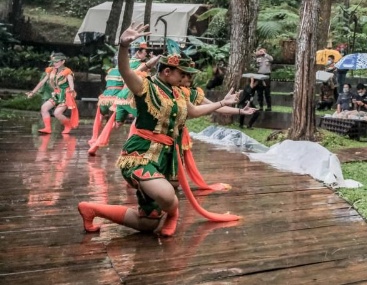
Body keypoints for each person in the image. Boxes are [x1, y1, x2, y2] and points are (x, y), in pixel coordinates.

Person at [77, 23, 246, 237]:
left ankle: (91, 209)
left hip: (167, 156)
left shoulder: (179, 93)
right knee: (167, 197)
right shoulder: (145, 86)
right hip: (142, 154)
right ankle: (173, 213)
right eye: (182, 74)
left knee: (147, 224)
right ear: (167, 71)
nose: (186, 79)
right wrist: (122, 46)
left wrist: (222, 103)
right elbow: (125, 70)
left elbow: (193, 111)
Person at [89, 41, 159, 155]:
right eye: (145, 52)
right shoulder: (138, 64)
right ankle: (128, 148)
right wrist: (152, 63)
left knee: (117, 124)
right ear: (138, 52)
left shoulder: (125, 64)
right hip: (130, 97)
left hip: (119, 98)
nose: (146, 55)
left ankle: (95, 145)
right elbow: (146, 74)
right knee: (142, 119)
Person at [28, 53, 76, 135]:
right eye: (53, 62)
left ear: (63, 61)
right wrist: (33, 92)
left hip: (65, 95)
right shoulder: (51, 71)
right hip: (56, 94)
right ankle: (48, 128)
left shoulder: (67, 72)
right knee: (44, 108)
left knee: (57, 113)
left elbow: (71, 83)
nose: (54, 64)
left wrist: (72, 90)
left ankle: (68, 125)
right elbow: (42, 82)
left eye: (57, 62)